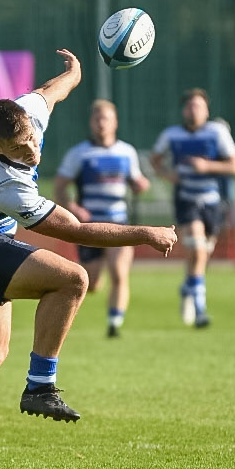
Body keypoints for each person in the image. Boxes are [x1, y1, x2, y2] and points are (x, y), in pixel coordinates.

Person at [0, 50, 177, 469]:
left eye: (30, 138)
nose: (30, 150)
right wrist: (146, 234)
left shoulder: (26, 113)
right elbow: (76, 231)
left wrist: (74, 72)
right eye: (18, 147)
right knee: (72, 279)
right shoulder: (7, 186)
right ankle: (41, 385)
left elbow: (49, 92)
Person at [53, 99, 151, 338]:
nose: (100, 124)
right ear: (91, 123)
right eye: (96, 119)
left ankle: (114, 324)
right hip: (90, 227)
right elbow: (59, 187)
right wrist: (73, 207)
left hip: (119, 222)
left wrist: (140, 185)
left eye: (105, 118)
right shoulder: (80, 153)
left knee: (119, 272)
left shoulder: (127, 152)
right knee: (92, 283)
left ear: (115, 122)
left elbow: (136, 181)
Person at [152, 88, 235, 328]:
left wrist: (207, 166)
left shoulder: (217, 132)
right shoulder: (171, 135)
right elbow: (154, 160)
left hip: (212, 202)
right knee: (198, 251)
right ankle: (201, 311)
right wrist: (168, 175)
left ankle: (186, 288)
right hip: (186, 200)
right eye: (190, 106)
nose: (194, 110)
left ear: (207, 110)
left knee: (201, 256)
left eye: (199, 106)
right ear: (184, 110)